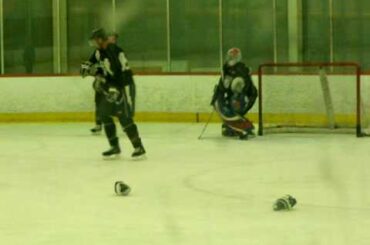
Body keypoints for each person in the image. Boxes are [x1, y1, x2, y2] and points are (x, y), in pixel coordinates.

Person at [80, 28, 145, 158]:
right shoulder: (99, 52)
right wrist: (88, 69)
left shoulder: (114, 51)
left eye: (94, 41)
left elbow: (122, 73)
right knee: (104, 115)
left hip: (123, 86)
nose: (93, 44)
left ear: (100, 39)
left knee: (124, 118)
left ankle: (139, 147)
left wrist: (114, 88)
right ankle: (114, 146)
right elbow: (93, 63)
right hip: (111, 86)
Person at [89, 31, 134, 134]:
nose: (112, 40)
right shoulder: (99, 51)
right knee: (99, 101)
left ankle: (126, 124)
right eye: (111, 38)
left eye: (114, 39)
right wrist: (97, 75)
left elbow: (122, 68)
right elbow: (94, 63)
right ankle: (98, 124)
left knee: (120, 103)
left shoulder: (117, 51)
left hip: (116, 81)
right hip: (104, 81)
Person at [211, 48, 258, 140]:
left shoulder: (242, 69)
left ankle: (239, 124)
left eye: (234, 57)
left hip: (242, 97)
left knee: (236, 101)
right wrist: (217, 95)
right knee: (226, 104)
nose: (232, 59)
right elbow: (222, 86)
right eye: (231, 57)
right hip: (232, 96)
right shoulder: (226, 69)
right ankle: (231, 125)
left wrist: (243, 92)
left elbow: (249, 89)